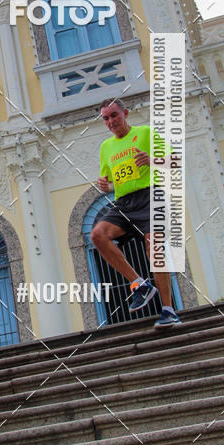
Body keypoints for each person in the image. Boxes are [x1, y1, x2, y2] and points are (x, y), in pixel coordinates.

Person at [90, 98, 182, 328]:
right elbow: (109, 180)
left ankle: (168, 310)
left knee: (154, 246)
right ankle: (140, 285)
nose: (111, 121)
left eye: (114, 115)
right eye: (106, 118)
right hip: (124, 203)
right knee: (97, 235)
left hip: (151, 195)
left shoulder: (145, 133)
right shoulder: (106, 147)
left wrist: (151, 160)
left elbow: (175, 161)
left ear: (126, 113)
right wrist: (104, 184)